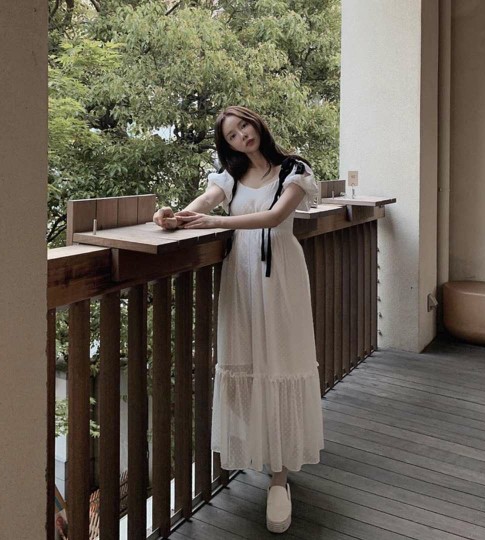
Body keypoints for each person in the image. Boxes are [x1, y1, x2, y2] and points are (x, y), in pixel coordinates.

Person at [153, 106, 324, 533]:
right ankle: (257, 449)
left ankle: (280, 477)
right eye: (231, 135)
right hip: (241, 276)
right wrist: (174, 217)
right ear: (227, 144)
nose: (241, 136)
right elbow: (204, 203)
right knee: (245, 360)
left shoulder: (293, 170)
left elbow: (275, 218)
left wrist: (216, 220)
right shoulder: (230, 177)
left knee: (281, 361)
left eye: (243, 126)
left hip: (280, 276)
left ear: (256, 123)